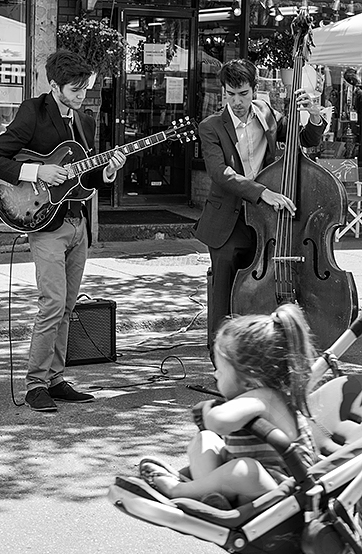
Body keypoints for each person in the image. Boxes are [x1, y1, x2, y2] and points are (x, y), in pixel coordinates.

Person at [0, 50, 126, 412]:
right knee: (52, 304)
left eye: (84, 89)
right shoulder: (34, 110)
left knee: (68, 306)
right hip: (44, 222)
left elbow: (86, 176)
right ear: (54, 85)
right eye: (74, 90)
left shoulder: (85, 122)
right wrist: (36, 172)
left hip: (77, 221)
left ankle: (56, 379)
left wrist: (108, 171)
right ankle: (34, 385)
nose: (80, 96)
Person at [193, 59, 326, 359]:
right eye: (230, 94)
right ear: (223, 93)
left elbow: (302, 141)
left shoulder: (267, 113)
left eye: (242, 93)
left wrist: (314, 116)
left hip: (266, 222)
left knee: (263, 288)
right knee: (223, 295)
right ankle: (220, 360)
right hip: (228, 221)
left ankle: (257, 356)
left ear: (254, 90)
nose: (237, 102)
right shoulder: (210, 126)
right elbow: (220, 173)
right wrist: (264, 192)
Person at [139, 303, 319, 507]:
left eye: (221, 371)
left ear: (249, 379)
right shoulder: (255, 395)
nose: (215, 375)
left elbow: (220, 422)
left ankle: (178, 490)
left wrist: (208, 411)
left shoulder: (266, 397)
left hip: (283, 489)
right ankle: (210, 496)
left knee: (244, 471)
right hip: (247, 488)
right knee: (204, 440)